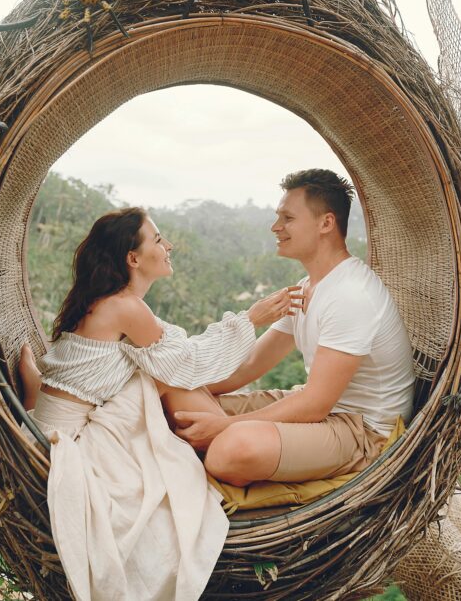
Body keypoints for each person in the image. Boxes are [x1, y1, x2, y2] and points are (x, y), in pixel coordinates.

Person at [18, 206, 301, 601]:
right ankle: (239, 450)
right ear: (133, 259)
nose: (169, 245)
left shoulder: (110, 302)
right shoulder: (126, 307)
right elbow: (189, 363)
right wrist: (249, 319)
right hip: (70, 439)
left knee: (152, 376)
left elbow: (181, 360)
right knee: (160, 379)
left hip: (58, 418)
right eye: (158, 239)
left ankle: (234, 439)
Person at [174, 169, 416, 488]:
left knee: (233, 448)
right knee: (177, 395)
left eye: (287, 218)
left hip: (362, 431)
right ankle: (213, 438)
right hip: (315, 412)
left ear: (325, 223)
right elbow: (248, 367)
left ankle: (219, 446)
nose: (276, 227)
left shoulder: (351, 295)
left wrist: (223, 426)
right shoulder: (306, 288)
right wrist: (190, 386)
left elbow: (316, 404)